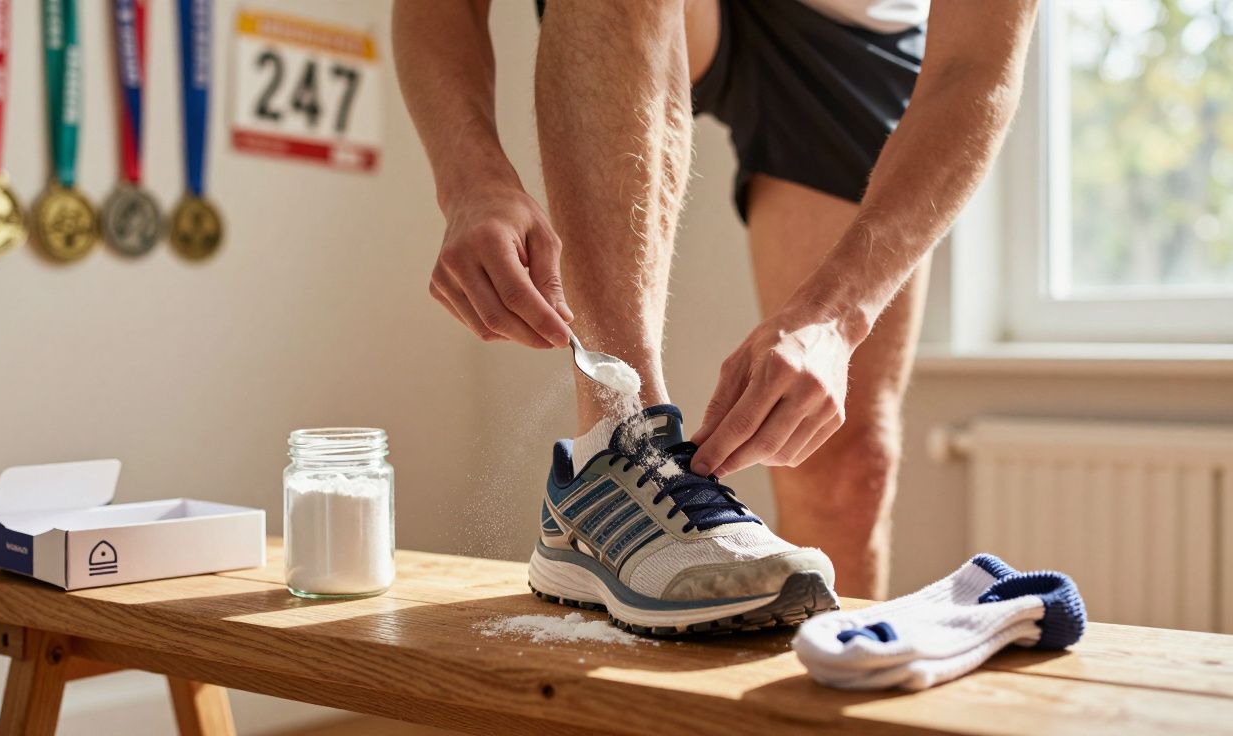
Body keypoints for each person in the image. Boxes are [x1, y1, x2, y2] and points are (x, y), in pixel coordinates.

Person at [393, 0, 1038, 626]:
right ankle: (615, 442)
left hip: (856, 37)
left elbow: (979, 64)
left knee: (848, 471)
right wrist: (470, 180)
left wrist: (837, 317)